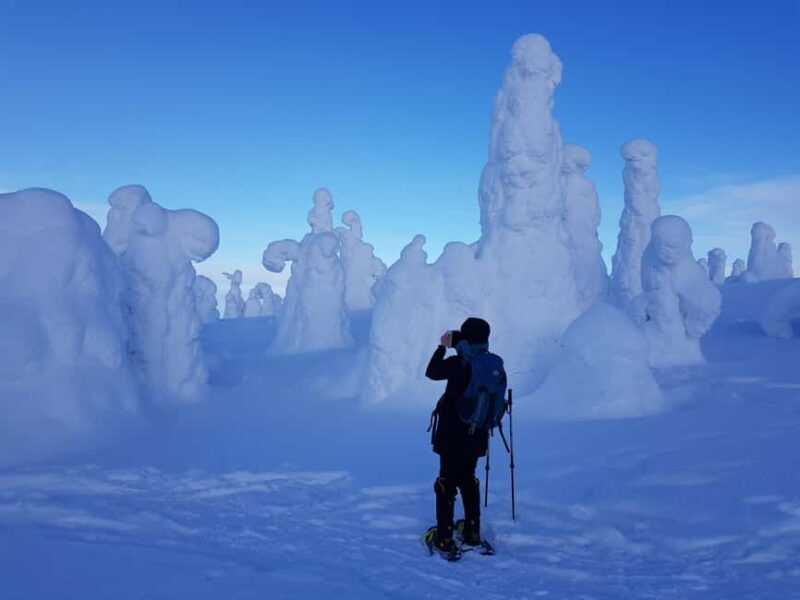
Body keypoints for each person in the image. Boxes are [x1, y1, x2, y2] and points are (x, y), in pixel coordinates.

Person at [424, 317, 495, 556]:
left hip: (452, 435)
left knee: (446, 481)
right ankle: (472, 531)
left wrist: (442, 347)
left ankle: (444, 536)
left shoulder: (458, 363)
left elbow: (431, 372)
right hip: (478, 435)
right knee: (468, 478)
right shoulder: (490, 364)